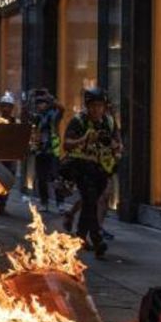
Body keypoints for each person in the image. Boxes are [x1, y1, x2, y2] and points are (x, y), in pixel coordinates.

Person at [60, 87, 121, 258]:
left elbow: (118, 142)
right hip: (81, 167)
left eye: (100, 106)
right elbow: (67, 144)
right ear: (87, 106)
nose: (96, 109)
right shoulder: (78, 121)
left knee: (90, 203)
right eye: (93, 106)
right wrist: (83, 139)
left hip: (102, 169)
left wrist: (116, 149)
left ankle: (79, 237)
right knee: (90, 200)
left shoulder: (109, 122)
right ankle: (97, 239)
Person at [28, 90, 65, 213]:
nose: (40, 106)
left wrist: (51, 98)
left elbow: (62, 109)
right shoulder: (37, 118)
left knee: (56, 178)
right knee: (41, 179)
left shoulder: (53, 115)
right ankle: (44, 202)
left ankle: (60, 203)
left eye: (42, 103)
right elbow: (26, 114)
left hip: (52, 151)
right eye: (38, 104)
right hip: (40, 151)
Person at [0, 91, 18, 215]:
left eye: (8, 106)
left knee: (6, 181)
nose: (6, 109)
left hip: (10, 157)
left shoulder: (15, 122)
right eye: (4, 106)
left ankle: (2, 204)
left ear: (12, 108)